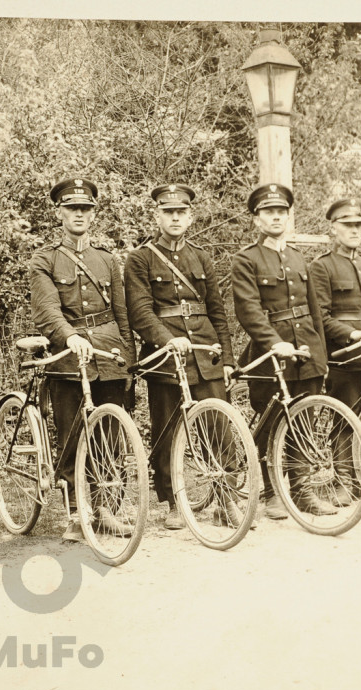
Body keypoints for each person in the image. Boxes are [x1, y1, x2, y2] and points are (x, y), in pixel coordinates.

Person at [125, 183, 237, 530]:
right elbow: (141, 312)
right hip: (165, 358)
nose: (175, 218)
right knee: (168, 430)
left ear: (190, 216)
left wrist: (228, 358)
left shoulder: (201, 257)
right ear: (156, 215)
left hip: (206, 354)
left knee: (220, 428)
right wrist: (166, 340)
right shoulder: (140, 259)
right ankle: (174, 501)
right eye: (168, 212)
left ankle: (225, 498)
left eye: (181, 212)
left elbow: (218, 311)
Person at [30, 178, 136, 541]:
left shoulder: (107, 259)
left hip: (108, 353)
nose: (79, 214)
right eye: (72, 208)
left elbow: (121, 313)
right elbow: (46, 310)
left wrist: (128, 360)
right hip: (68, 357)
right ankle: (76, 514)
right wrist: (70, 336)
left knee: (110, 434)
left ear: (93, 214)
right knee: (73, 434)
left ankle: (106, 508)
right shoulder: (44, 259)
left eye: (85, 209)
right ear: (59, 212)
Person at [230, 183, 331, 519]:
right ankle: (273, 492)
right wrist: (275, 343)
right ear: (256, 219)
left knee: (304, 420)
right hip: (271, 355)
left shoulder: (299, 258)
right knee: (273, 421)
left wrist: (321, 353)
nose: (275, 217)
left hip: (307, 349)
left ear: (288, 217)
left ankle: (301, 491)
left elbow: (314, 310)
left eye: (281, 212)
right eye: (268, 212)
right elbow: (249, 310)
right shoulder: (246, 260)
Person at [308, 198, 361, 496]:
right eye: (348, 225)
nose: (354, 231)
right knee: (345, 420)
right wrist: (351, 335)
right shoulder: (322, 266)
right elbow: (321, 318)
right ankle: (342, 482)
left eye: (358, 226)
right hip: (345, 355)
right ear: (333, 229)